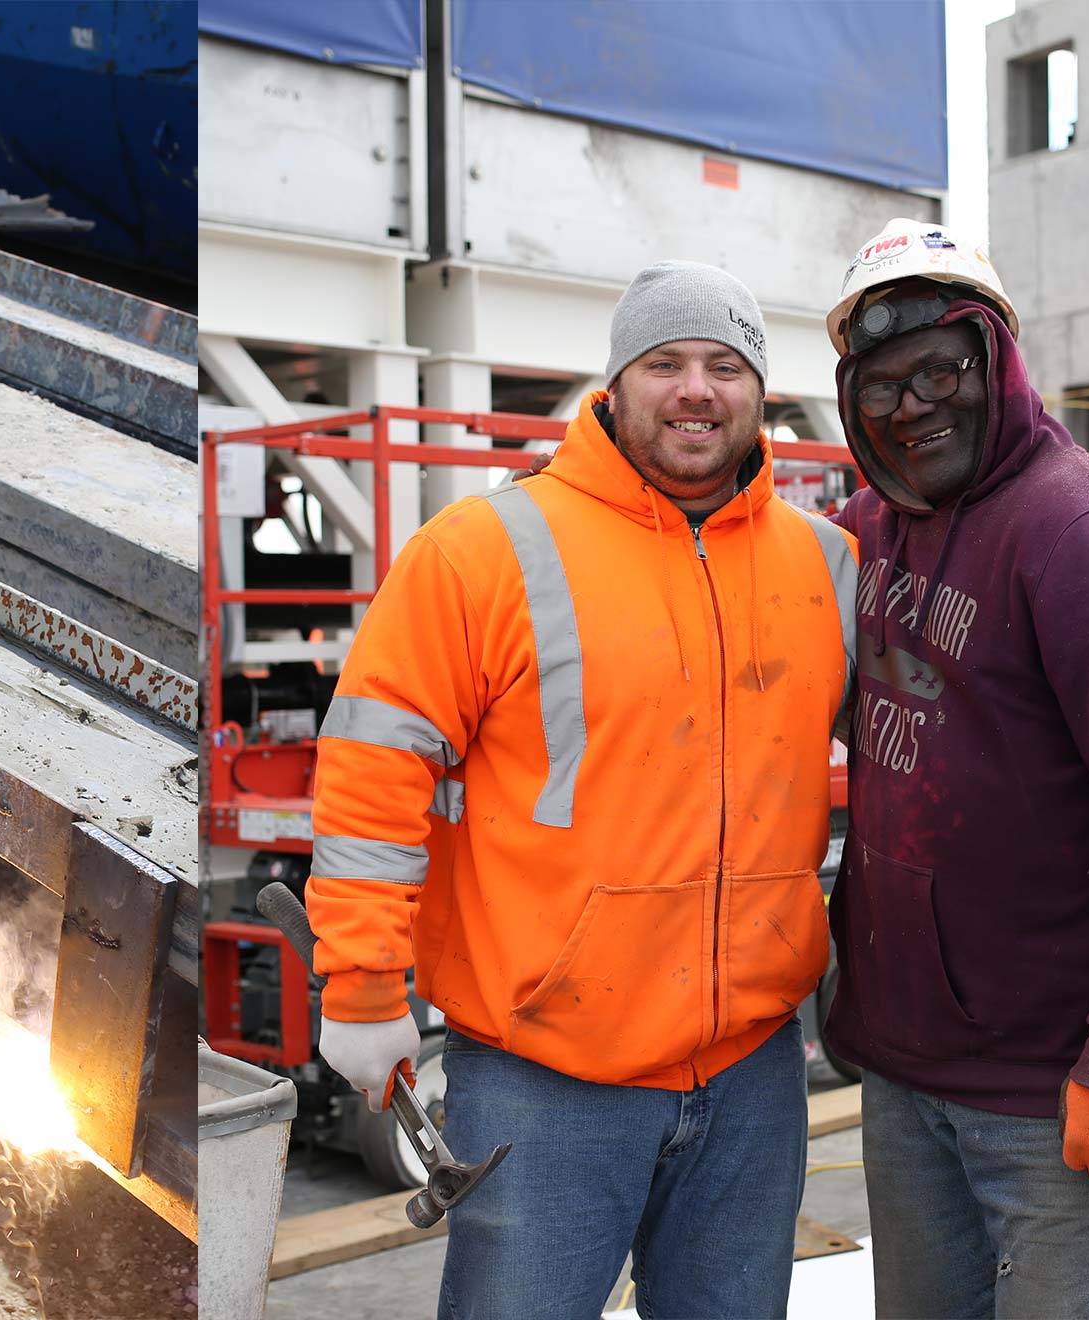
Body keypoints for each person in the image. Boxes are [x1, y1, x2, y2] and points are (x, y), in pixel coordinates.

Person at [305, 262, 858, 1317]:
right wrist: (364, 981)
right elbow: (375, 766)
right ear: (614, 386)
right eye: (667, 362)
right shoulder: (484, 552)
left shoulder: (826, 565)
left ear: (761, 393)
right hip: (545, 1078)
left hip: (752, 1077)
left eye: (726, 365)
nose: (697, 388)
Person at [821, 219, 1089, 1317]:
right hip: (906, 1071)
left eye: (940, 371)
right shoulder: (862, 538)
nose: (914, 406)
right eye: (881, 388)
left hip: (1058, 1087)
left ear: (998, 360)